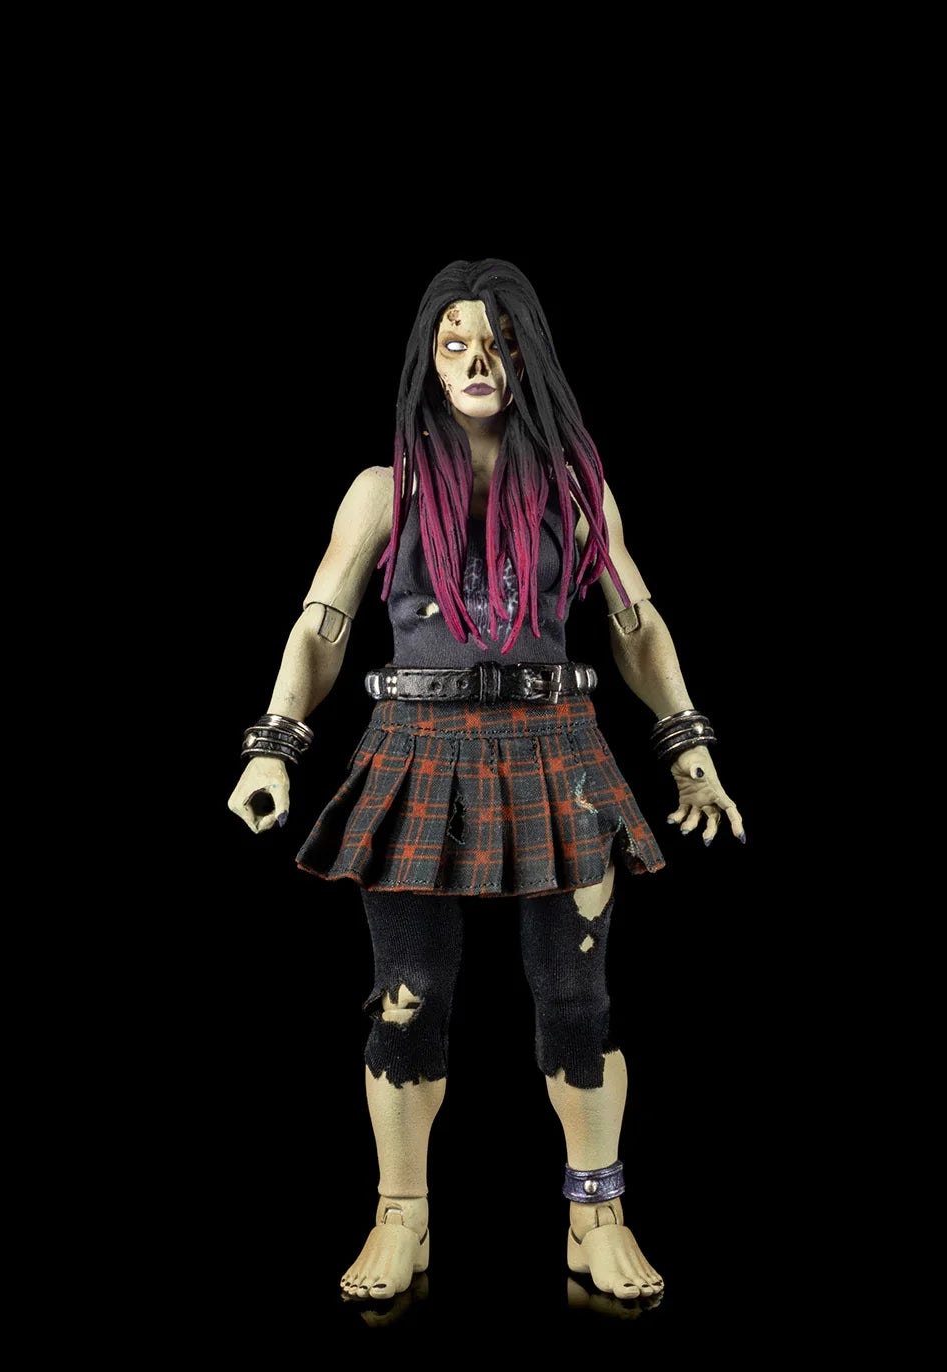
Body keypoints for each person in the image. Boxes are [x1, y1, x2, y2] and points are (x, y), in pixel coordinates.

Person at [226, 258, 742, 1302]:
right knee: (405, 997)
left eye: (498, 343)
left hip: (557, 748)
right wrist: (273, 742)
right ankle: (400, 1216)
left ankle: (596, 1215)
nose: (476, 362)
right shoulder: (385, 491)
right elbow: (322, 622)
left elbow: (635, 620)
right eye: (455, 342)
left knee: (577, 996)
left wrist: (687, 743)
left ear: (528, 356)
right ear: (429, 358)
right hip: (414, 752)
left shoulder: (574, 489)